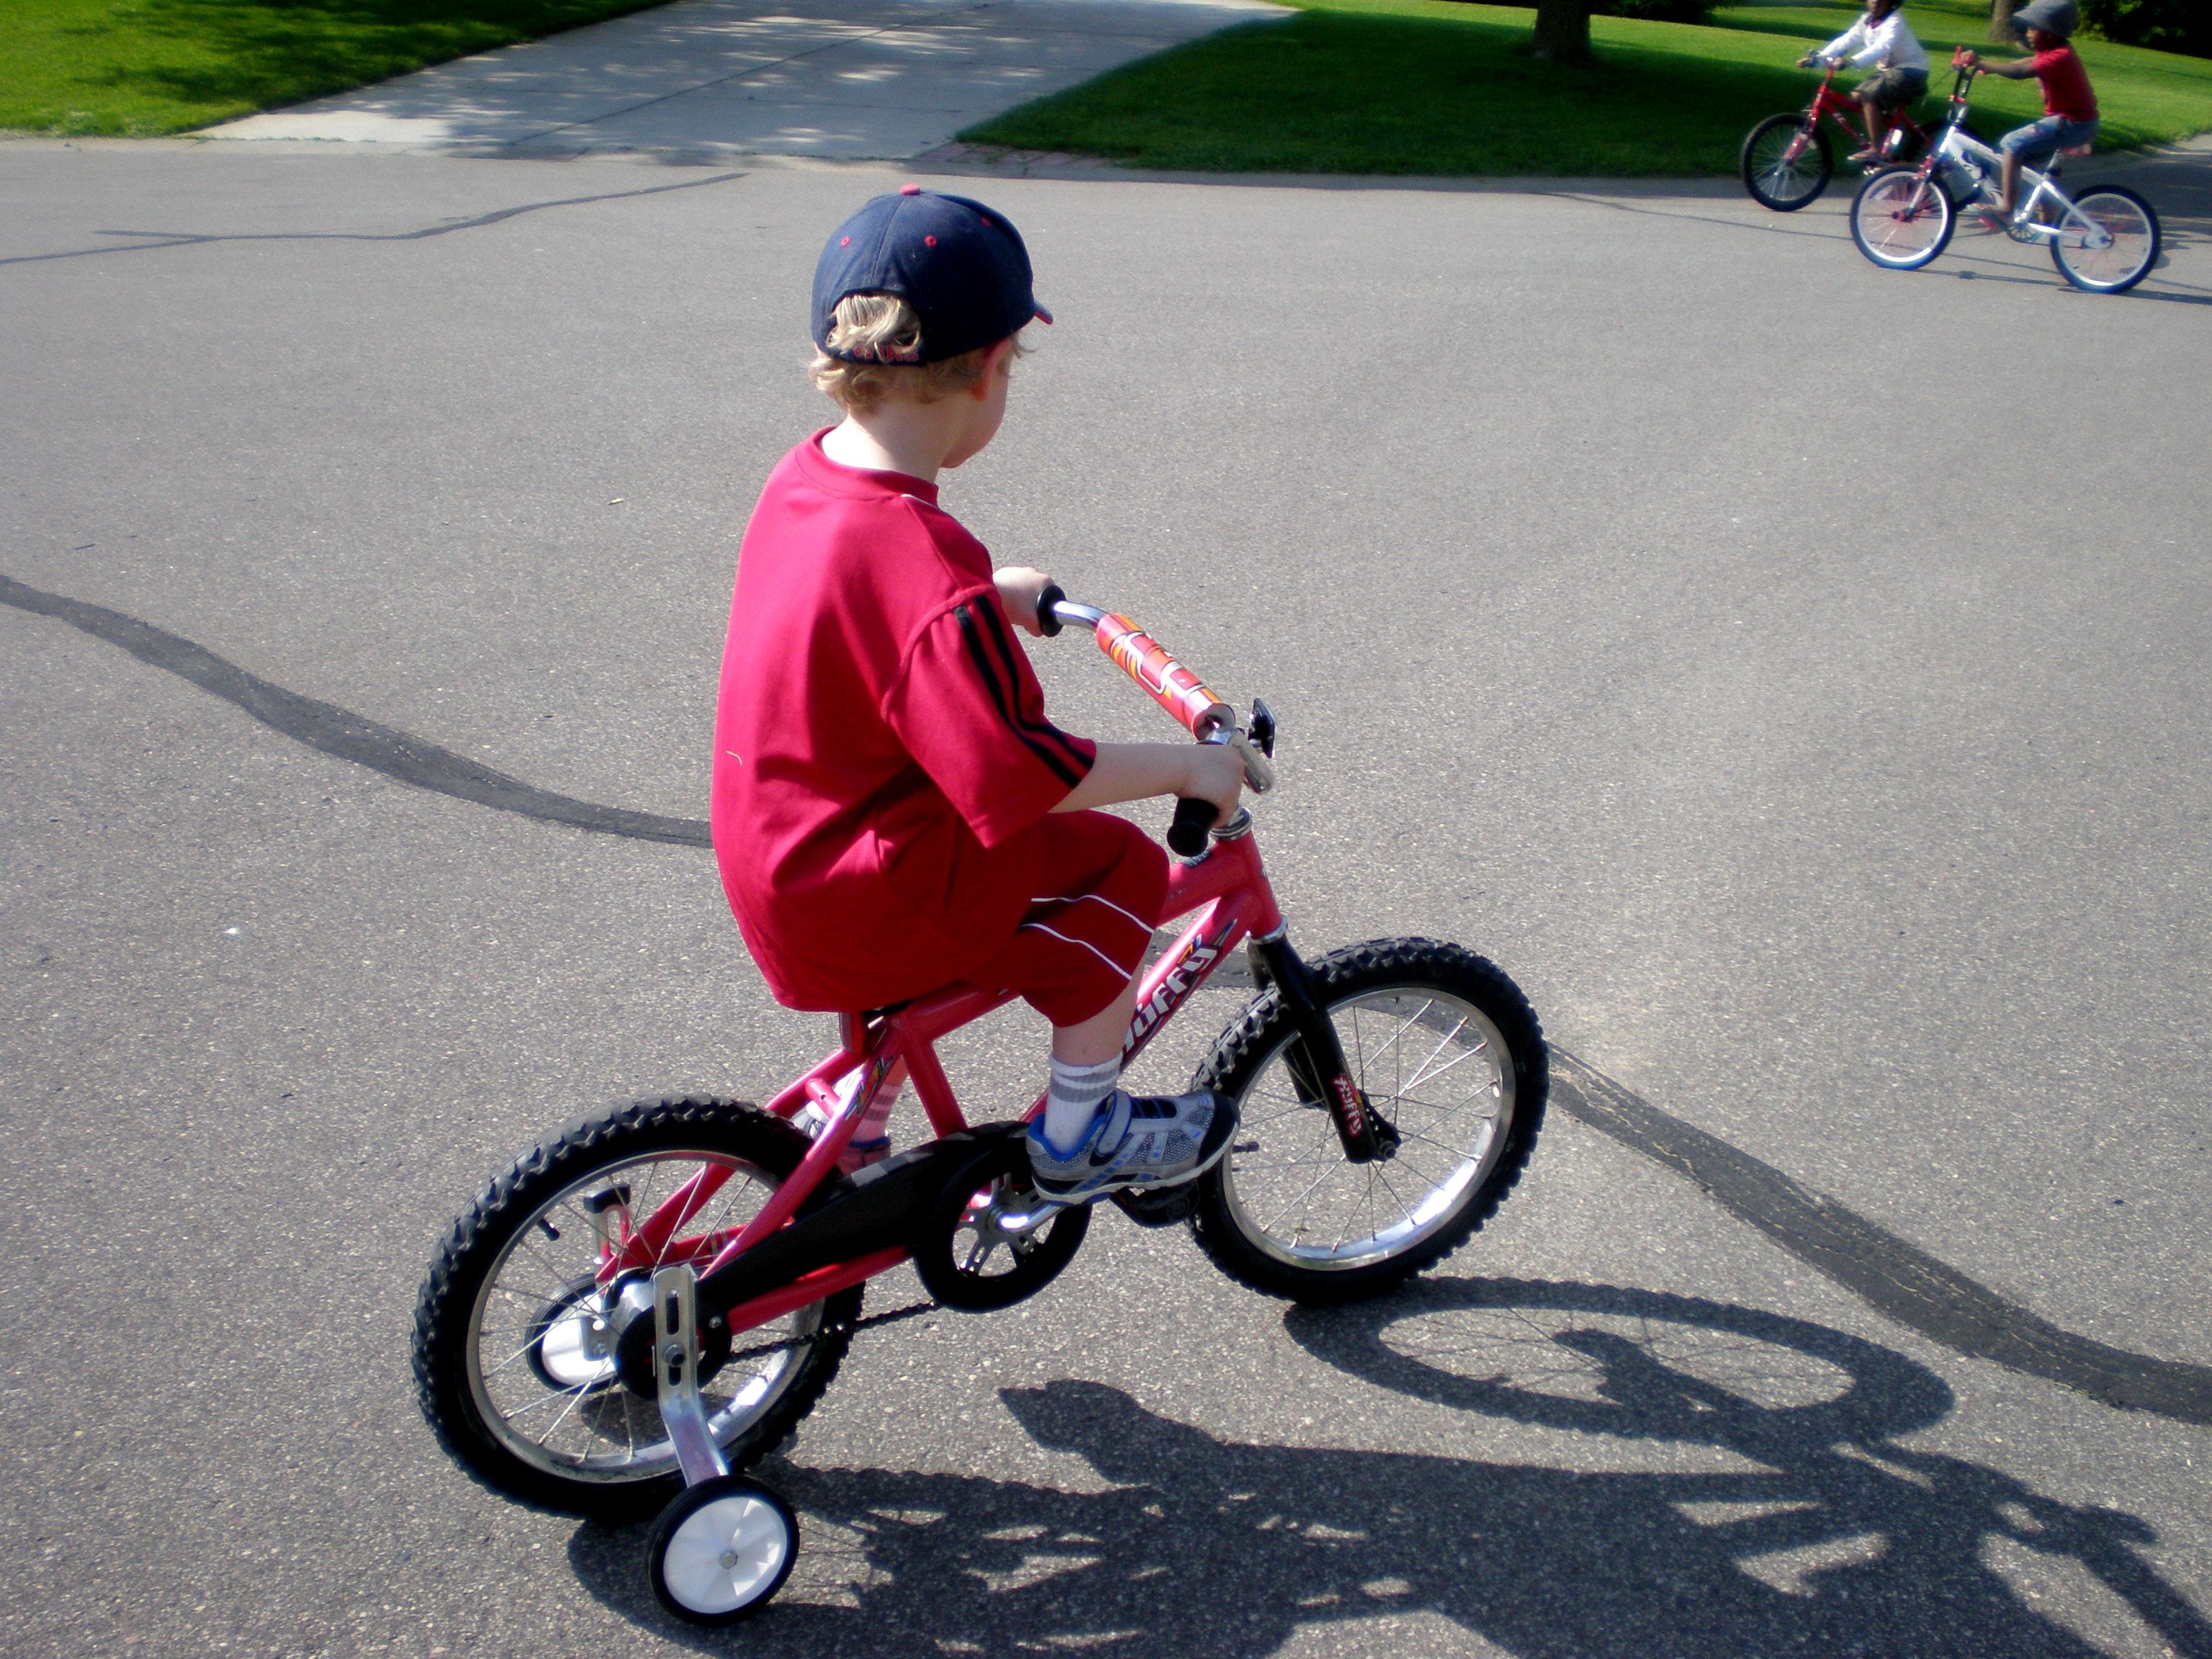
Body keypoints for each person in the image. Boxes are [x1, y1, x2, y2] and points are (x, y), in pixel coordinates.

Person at [709, 186, 1244, 1203]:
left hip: (779, 855)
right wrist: (1190, 764)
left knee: (917, 822)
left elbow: (857, 606)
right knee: (1119, 869)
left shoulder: (804, 480)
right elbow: (1018, 774)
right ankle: (1082, 1134)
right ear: (993, 368)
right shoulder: (924, 565)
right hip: (865, 897)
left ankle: (859, 1112)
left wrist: (982, 596)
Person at [1958, 0, 2099, 228]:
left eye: (2033, 28)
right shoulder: (2054, 50)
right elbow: (2023, 62)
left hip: (2074, 124)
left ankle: (2006, 210)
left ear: (2051, 32)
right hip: (2072, 122)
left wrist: (1983, 63)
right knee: (2028, 155)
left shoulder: (2059, 57)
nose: (2028, 32)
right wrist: (1983, 65)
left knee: (2012, 144)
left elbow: (2019, 71)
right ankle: (2050, 209)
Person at [1799, 0, 1930, 164]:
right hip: (1890, 70)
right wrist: (1818, 58)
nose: (1875, 1)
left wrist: (1851, 61)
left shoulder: (1894, 21)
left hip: (1912, 68)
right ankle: (1881, 143)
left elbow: (1883, 46)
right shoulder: (1866, 21)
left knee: (1869, 96)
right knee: (1856, 97)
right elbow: (1846, 40)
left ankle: (1876, 150)